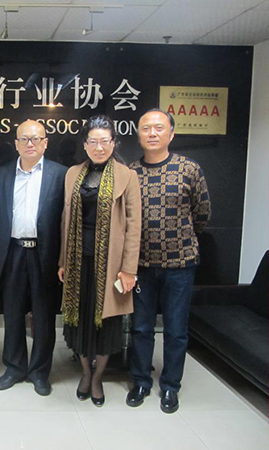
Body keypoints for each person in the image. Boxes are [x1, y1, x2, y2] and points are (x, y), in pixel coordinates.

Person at [126, 108, 211, 413]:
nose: (152, 133)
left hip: (180, 266)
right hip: (141, 266)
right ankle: (140, 381)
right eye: (146, 128)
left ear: (171, 134)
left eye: (159, 128)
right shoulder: (130, 172)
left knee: (175, 330)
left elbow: (202, 213)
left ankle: (170, 387)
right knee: (140, 328)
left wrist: (179, 239)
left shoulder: (189, 169)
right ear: (138, 134)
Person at [58, 115, 141, 407]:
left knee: (107, 321)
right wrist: (63, 261)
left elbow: (134, 226)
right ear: (85, 144)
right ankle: (85, 372)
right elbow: (65, 220)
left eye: (105, 141)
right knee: (80, 318)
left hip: (111, 264)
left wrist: (129, 269)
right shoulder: (73, 174)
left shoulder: (127, 176)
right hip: (78, 260)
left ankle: (97, 378)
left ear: (113, 143)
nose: (99, 147)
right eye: (93, 141)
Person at [0, 120, 67, 396]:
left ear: (45, 143)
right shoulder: (0, 175)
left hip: (44, 253)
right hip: (12, 251)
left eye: (36, 139)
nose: (30, 144)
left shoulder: (60, 175)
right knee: (12, 313)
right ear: (16, 144)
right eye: (24, 139)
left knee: (44, 315)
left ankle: (39, 371)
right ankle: (14, 367)